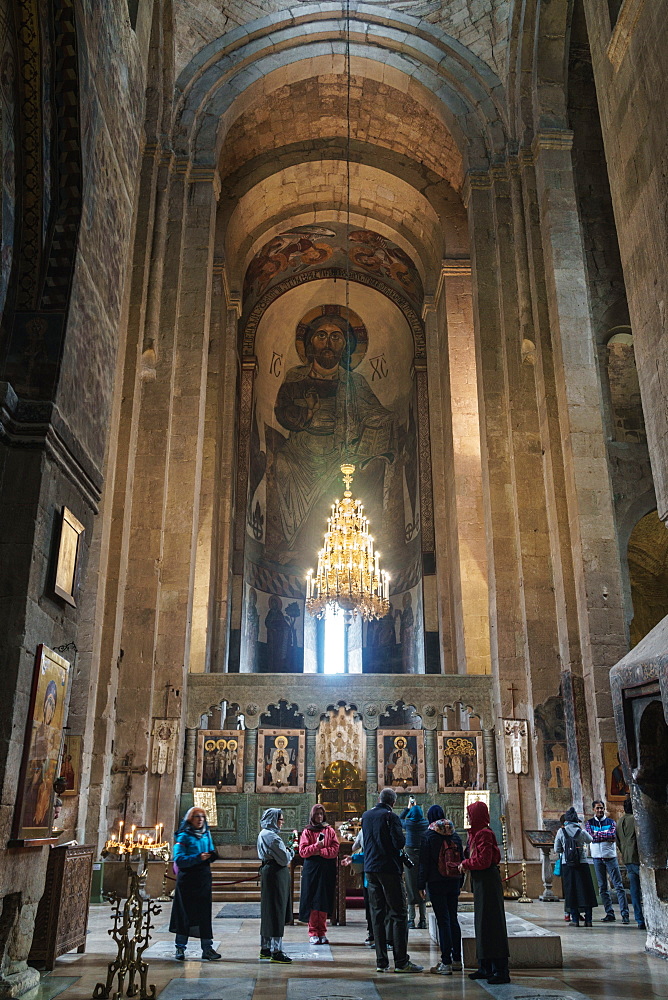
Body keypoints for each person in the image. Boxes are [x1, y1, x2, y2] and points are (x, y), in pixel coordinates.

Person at [361, 787, 423, 974]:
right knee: (398, 914)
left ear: (379, 798)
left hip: (370, 868)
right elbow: (399, 843)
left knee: (378, 914)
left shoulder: (366, 815)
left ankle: (381, 962)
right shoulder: (391, 817)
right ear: (393, 802)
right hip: (388, 869)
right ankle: (402, 961)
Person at [460, 800, 510, 985]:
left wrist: (464, 865)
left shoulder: (485, 834)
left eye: (470, 815)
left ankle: (500, 970)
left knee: (492, 924)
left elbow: (483, 861)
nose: (467, 818)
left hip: (488, 880)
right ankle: (485, 967)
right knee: (482, 923)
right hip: (480, 881)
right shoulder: (474, 834)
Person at [170, 807, 221, 961]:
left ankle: (207, 948)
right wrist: (198, 858)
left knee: (204, 915)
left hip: (203, 879)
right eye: (197, 817)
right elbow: (179, 859)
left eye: (203, 817)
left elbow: (211, 850)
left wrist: (212, 856)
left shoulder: (206, 834)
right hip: (187, 880)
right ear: (190, 819)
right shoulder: (184, 836)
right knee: (185, 914)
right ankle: (180, 947)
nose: (200, 820)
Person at [418, 805, 463, 976]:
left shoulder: (429, 836)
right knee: (453, 919)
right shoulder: (455, 835)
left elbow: (424, 863)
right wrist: (460, 882)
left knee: (443, 921)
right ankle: (457, 959)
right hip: (453, 881)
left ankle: (446, 962)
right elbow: (462, 859)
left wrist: (420, 885)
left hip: (436, 883)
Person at [298, 804, 340, 943]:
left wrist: (319, 852)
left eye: (321, 814)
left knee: (323, 900)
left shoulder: (329, 830)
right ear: (312, 816)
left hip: (326, 869)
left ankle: (322, 932)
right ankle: (313, 932)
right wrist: (317, 846)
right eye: (317, 814)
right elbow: (303, 851)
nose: (320, 817)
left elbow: (335, 849)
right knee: (312, 900)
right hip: (312, 869)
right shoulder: (307, 831)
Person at [257, 808, 293, 963]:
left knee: (268, 911)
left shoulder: (263, 834)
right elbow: (284, 859)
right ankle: (276, 950)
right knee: (276, 911)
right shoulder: (272, 837)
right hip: (276, 875)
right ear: (273, 819)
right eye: (280, 819)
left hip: (269, 872)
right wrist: (290, 851)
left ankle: (265, 948)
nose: (282, 822)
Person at [585, 800, 629, 923]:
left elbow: (612, 836)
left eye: (601, 808)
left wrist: (599, 835)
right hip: (597, 858)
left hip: (610, 857)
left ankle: (624, 914)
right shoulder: (589, 823)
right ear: (593, 809)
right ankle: (609, 913)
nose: (600, 810)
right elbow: (591, 837)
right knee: (602, 887)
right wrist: (602, 836)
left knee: (618, 886)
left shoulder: (611, 822)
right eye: (597, 808)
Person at [554, 806, 597, 927]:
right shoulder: (581, 831)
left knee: (571, 891)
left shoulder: (561, 831)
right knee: (586, 891)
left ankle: (575, 919)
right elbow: (590, 840)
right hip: (582, 863)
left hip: (567, 864)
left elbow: (557, 849)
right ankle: (588, 919)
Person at [616, 795, 645, 929]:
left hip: (627, 858)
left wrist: (624, 853)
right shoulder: (636, 820)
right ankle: (649, 918)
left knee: (634, 890)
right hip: (638, 859)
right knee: (646, 889)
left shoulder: (619, 821)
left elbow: (618, 842)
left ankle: (639, 920)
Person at [400, 796, 428, 928]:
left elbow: (400, 819)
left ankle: (411, 919)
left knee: (410, 886)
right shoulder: (425, 824)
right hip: (423, 854)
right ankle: (423, 919)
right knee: (421, 886)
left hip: (410, 854)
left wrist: (407, 808)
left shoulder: (409, 824)